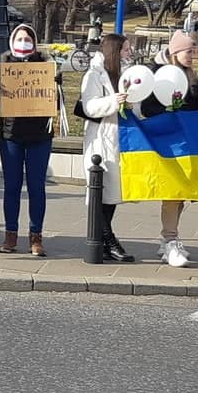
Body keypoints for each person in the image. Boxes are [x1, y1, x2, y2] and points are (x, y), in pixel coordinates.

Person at [0, 24, 56, 256]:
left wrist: (56, 85)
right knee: (12, 187)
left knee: (37, 187)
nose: (24, 44)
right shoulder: (4, 67)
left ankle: (36, 237)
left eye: (28, 40)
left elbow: (54, 106)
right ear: (12, 42)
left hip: (39, 137)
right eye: (20, 39)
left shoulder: (46, 68)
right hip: (11, 136)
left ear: (35, 43)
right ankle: (10, 235)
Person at [141, 30, 198, 268]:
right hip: (167, 142)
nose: (192, 55)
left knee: (181, 195)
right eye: (188, 51)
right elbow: (149, 107)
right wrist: (171, 110)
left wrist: (196, 91)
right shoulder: (160, 74)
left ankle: (168, 237)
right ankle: (170, 240)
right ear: (175, 52)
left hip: (187, 141)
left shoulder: (191, 75)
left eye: (193, 51)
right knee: (172, 191)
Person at [81, 33, 135, 262]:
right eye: (125, 49)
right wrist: (115, 101)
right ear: (114, 51)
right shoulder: (94, 74)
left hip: (120, 138)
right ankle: (109, 240)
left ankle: (105, 241)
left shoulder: (125, 74)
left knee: (112, 193)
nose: (129, 53)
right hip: (100, 139)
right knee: (99, 192)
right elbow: (89, 106)